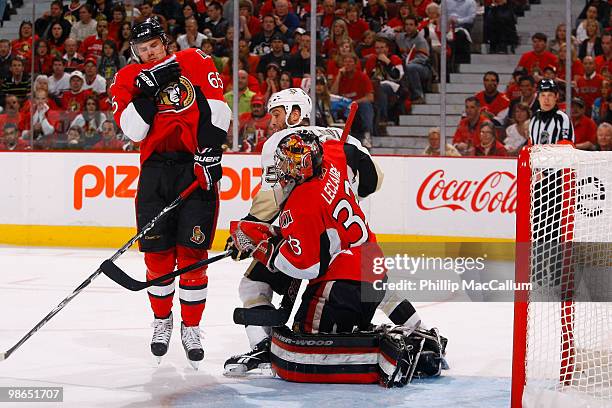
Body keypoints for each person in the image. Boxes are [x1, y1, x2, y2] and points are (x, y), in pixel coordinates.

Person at [222, 89, 418, 377]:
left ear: (296, 114)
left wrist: (250, 232)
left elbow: (271, 196)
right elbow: (375, 180)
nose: (271, 121)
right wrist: (341, 196)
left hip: (310, 235)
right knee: (373, 283)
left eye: (276, 114)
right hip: (347, 234)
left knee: (252, 285)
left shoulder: (283, 143)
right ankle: (418, 331)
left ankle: (263, 346)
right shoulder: (341, 138)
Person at [109, 18, 231, 369]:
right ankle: (162, 320)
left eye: (153, 46)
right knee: (158, 255)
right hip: (156, 174)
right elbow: (134, 130)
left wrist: (210, 152)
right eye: (142, 49)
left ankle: (191, 327)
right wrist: (148, 90)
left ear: (165, 42)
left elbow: (217, 107)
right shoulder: (126, 78)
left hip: (196, 166)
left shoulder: (195, 59)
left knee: (193, 252)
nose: (148, 53)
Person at [529, 79, 574, 145]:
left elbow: (567, 145)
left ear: (556, 96)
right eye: (543, 95)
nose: (546, 100)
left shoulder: (562, 118)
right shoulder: (534, 118)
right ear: (538, 97)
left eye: (550, 95)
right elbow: (531, 143)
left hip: (557, 155)